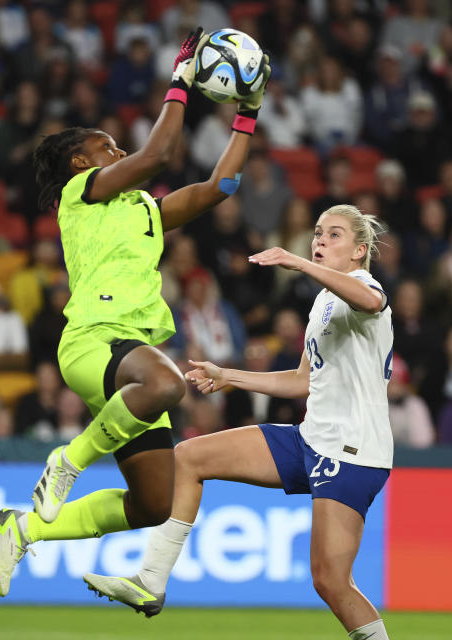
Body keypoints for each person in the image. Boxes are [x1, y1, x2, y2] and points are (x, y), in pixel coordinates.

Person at [0, 28, 272, 597]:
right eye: (107, 146)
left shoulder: (143, 208)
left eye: (118, 148)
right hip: (95, 343)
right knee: (169, 385)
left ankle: (22, 528)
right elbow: (160, 153)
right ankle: (68, 461)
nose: (117, 153)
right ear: (80, 161)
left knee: (153, 503)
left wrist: (249, 113)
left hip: (128, 364)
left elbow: (222, 186)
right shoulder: (83, 194)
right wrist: (180, 79)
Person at [83, 205, 394, 640]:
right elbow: (301, 380)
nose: (320, 240)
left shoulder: (363, 286)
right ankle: (149, 580)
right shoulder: (324, 302)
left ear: (360, 251)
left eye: (334, 235)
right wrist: (230, 377)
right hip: (313, 438)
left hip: (353, 450)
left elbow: (373, 300)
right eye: (318, 232)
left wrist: (298, 263)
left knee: (330, 581)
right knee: (190, 456)